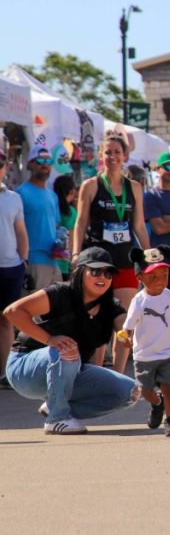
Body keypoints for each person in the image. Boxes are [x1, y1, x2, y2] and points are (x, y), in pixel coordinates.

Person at [4, 247, 140, 435]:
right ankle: (57, 419)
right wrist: (49, 339)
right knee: (67, 348)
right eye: (95, 271)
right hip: (24, 369)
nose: (103, 277)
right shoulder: (60, 293)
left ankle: (55, 405)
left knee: (130, 391)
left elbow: (125, 331)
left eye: (108, 273)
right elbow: (13, 312)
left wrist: (124, 354)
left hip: (70, 370)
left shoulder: (110, 306)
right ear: (80, 271)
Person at [73, 131, 151, 318]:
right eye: (108, 152)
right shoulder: (91, 185)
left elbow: (139, 225)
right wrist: (75, 253)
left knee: (124, 321)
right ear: (101, 155)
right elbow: (81, 222)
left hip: (125, 259)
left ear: (125, 155)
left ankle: (121, 349)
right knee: (97, 320)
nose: (112, 156)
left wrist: (148, 253)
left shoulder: (134, 187)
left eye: (117, 152)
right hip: (98, 260)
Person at [121, 245, 170, 436]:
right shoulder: (139, 301)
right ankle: (157, 404)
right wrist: (125, 337)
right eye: (153, 277)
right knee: (145, 390)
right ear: (140, 277)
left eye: (164, 276)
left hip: (168, 352)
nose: (160, 281)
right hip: (144, 354)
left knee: (169, 388)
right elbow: (128, 326)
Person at [0, 149, 29, 390]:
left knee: (7, 320)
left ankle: (5, 373)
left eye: (1, 162)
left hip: (11, 266)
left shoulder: (13, 198)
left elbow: (20, 232)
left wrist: (24, 260)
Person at [17, 146, 61, 292]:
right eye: (40, 160)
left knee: (55, 313)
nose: (45, 165)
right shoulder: (20, 193)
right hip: (33, 261)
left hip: (54, 262)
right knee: (32, 312)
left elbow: (56, 228)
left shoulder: (52, 196)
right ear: (30, 164)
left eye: (49, 161)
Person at [144, 151, 170, 262]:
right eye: (168, 166)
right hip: (161, 255)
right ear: (158, 169)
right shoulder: (151, 196)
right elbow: (159, 229)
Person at [53, 174, 78, 280]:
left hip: (49, 259)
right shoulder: (71, 212)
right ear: (72, 192)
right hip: (64, 262)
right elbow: (72, 239)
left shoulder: (51, 207)